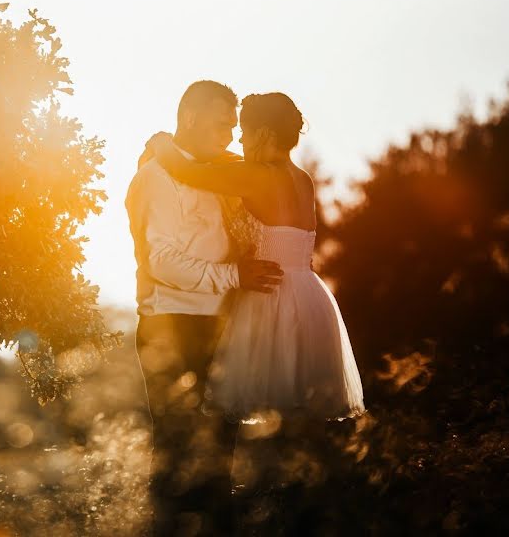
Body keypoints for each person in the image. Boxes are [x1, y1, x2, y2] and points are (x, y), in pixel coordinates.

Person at [149, 93, 366, 490]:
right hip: (311, 298)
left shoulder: (255, 176)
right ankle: (302, 500)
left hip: (272, 297)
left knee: (256, 413)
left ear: (264, 132)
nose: (240, 142)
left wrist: (161, 142)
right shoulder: (303, 180)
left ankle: (248, 502)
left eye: (245, 132)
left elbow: (187, 172)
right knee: (298, 420)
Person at [125, 81, 284, 536]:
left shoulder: (218, 170)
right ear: (190, 118)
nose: (230, 135)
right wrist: (236, 276)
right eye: (221, 124)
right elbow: (161, 260)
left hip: (220, 323)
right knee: (177, 449)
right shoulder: (154, 177)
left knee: (222, 448)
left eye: (234, 127)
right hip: (171, 326)